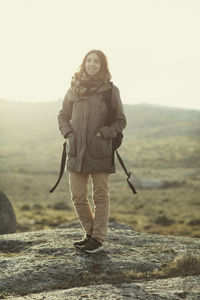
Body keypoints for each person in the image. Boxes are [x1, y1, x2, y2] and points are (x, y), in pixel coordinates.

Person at [58, 49, 126, 253]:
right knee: (78, 196)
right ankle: (90, 233)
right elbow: (62, 115)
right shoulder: (74, 88)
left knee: (100, 196)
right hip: (76, 150)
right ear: (84, 63)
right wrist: (68, 133)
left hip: (99, 151)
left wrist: (104, 133)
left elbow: (121, 121)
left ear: (102, 65)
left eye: (96, 61)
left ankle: (97, 239)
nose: (92, 64)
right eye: (89, 60)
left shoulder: (110, 91)